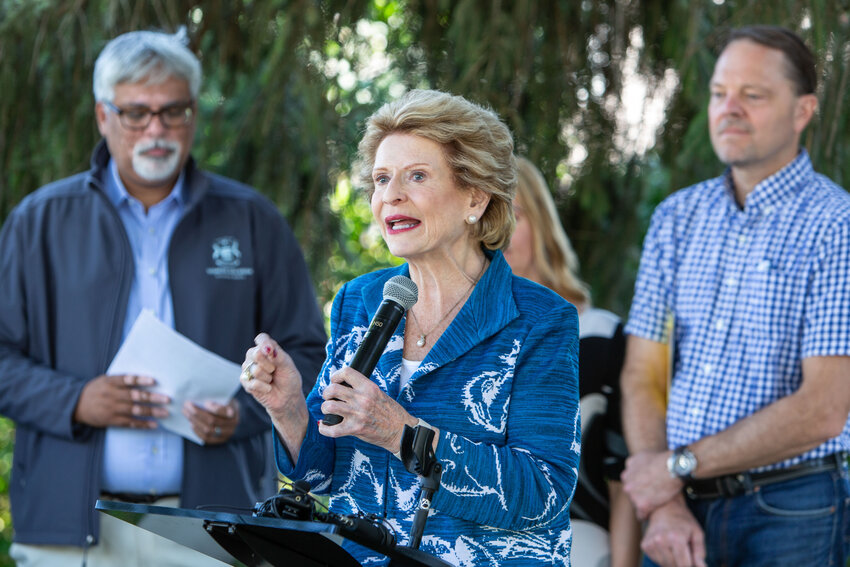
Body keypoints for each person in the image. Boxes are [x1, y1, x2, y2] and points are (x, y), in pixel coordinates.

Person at [0, 29, 327, 566]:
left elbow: (308, 353)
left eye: (173, 111)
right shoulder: (41, 221)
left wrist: (246, 412)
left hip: (215, 530)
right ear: (104, 117)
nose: (157, 129)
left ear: (194, 113)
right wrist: (75, 401)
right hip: (71, 530)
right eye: (136, 113)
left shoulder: (251, 219)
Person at [241, 89, 580, 565]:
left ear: (476, 198)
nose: (390, 195)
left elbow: (542, 491)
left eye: (416, 176)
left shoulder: (540, 320)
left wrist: (403, 433)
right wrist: (289, 408)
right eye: (382, 179)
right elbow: (322, 474)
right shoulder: (359, 301)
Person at [620, 25, 850, 567]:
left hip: (792, 511)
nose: (730, 109)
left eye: (754, 95)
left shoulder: (837, 225)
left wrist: (675, 467)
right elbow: (642, 374)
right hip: (679, 512)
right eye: (721, 93)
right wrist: (665, 501)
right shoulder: (677, 216)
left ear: (802, 111)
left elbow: (823, 410)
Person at [504, 157, 641, 567]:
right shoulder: (455, 346)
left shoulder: (599, 337)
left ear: (542, 224)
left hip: (579, 545)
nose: (501, 233)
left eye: (515, 214)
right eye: (486, 218)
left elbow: (626, 477)